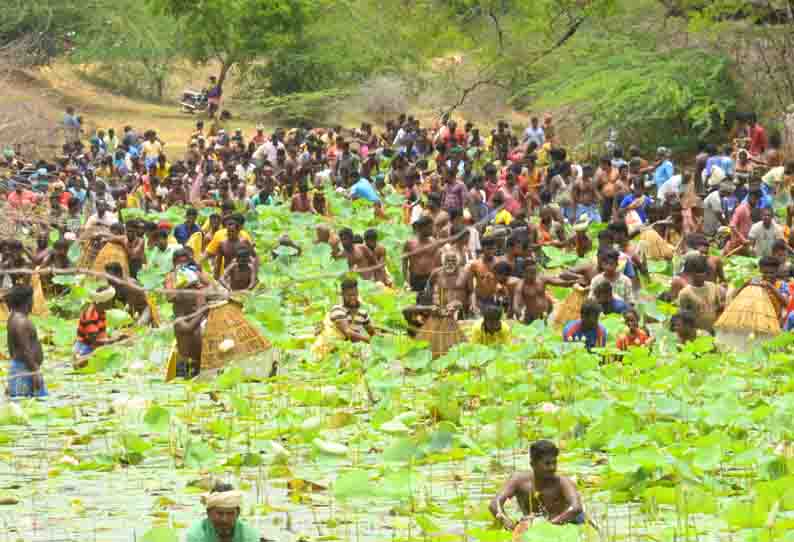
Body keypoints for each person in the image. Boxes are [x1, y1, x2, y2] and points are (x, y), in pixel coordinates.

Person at [489, 440, 584, 530]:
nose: (552, 467)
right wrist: (507, 522)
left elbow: (576, 507)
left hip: (567, 523)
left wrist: (548, 527)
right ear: (532, 464)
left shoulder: (563, 482)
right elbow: (494, 504)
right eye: (547, 463)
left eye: (554, 463)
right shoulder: (518, 480)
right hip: (534, 527)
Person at [312, 278, 376, 356]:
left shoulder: (362, 313)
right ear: (342, 295)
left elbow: (373, 334)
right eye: (349, 295)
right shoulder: (338, 310)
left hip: (346, 351)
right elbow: (347, 332)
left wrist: (384, 340)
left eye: (355, 294)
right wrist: (367, 340)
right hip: (328, 350)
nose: (353, 298)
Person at [6, 285, 47, 398]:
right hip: (26, 370)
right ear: (27, 301)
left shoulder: (14, 318)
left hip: (21, 368)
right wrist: (35, 372)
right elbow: (25, 350)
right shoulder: (21, 322)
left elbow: (12, 348)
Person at [186, 482, 261, 542]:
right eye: (219, 513)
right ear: (208, 513)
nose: (224, 519)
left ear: (237, 513)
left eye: (230, 513)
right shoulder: (196, 535)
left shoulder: (249, 534)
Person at [173, 267, 209, 378]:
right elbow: (188, 328)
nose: (197, 292)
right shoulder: (179, 317)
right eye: (193, 289)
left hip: (199, 363)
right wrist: (201, 310)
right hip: (185, 366)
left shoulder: (197, 308)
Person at [74, 286, 128, 358]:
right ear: (104, 302)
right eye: (110, 300)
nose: (112, 303)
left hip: (97, 345)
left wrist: (114, 337)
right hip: (85, 348)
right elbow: (93, 341)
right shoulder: (90, 315)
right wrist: (114, 340)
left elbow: (101, 333)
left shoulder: (101, 311)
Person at [677, 255, 723, 334]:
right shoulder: (685, 293)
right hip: (697, 333)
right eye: (697, 272)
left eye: (703, 272)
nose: (701, 275)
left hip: (713, 330)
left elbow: (718, 308)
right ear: (691, 273)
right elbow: (684, 317)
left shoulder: (713, 287)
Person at [402, 216, 438, 293]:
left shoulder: (434, 242)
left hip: (430, 277)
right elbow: (404, 263)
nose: (432, 230)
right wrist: (406, 281)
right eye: (429, 228)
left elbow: (437, 262)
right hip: (415, 278)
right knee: (415, 301)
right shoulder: (410, 243)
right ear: (422, 228)